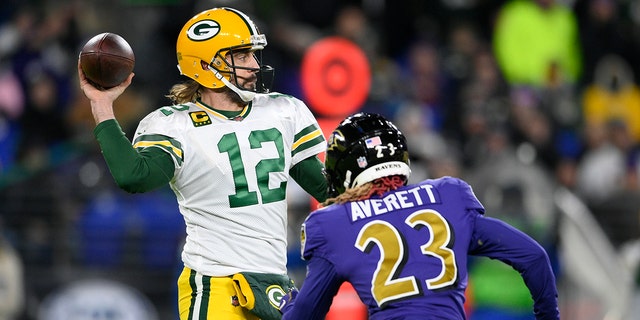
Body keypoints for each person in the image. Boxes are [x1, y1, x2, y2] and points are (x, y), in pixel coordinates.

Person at [77, 7, 328, 320]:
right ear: (208, 65)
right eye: (241, 56)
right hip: (215, 285)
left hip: (275, 284)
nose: (254, 65)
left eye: (253, 54)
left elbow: (326, 189)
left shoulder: (283, 111)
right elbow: (134, 176)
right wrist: (101, 106)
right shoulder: (175, 125)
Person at [279, 112, 560, 320]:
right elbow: (533, 257)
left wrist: (286, 304)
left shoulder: (334, 223)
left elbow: (304, 315)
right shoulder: (448, 195)